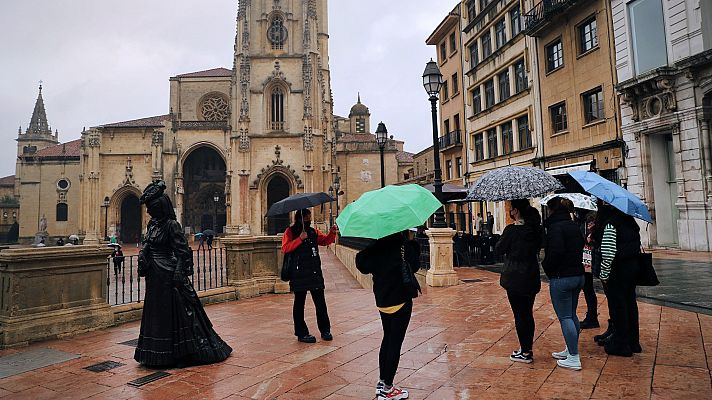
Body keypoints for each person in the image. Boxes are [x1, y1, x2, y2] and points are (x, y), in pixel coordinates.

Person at [134, 180, 232, 367]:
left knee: (177, 314)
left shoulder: (171, 225)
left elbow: (183, 252)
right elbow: (148, 244)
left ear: (159, 207)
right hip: (155, 277)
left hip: (169, 276)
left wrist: (179, 273)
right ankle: (156, 353)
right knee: (157, 314)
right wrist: (144, 254)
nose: (148, 212)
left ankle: (177, 353)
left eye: (150, 208)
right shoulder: (153, 225)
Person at [356, 231, 420, 400]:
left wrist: (371, 245)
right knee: (395, 343)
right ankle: (388, 388)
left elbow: (362, 264)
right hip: (400, 299)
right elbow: (415, 265)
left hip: (383, 300)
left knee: (387, 338)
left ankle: (382, 381)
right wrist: (412, 242)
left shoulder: (377, 244)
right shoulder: (402, 244)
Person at [495, 199, 542, 364]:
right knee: (527, 313)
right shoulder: (535, 229)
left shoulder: (511, 231)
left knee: (520, 315)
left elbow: (499, 249)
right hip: (531, 275)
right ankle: (526, 348)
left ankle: (525, 351)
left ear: (515, 211)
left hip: (514, 277)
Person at [593, 201, 642, 357]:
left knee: (618, 307)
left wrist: (604, 274)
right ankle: (633, 342)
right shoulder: (631, 223)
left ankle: (621, 343)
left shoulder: (611, 225)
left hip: (617, 270)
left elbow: (608, 253)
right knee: (630, 305)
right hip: (632, 269)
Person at [282, 209, 338, 343]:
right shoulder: (290, 231)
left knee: (321, 304)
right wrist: (299, 239)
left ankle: (325, 330)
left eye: (310, 217)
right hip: (298, 273)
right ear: (300, 218)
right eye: (307, 217)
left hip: (314, 272)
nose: (309, 220)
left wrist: (332, 233)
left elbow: (324, 241)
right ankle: (301, 333)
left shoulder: (313, 231)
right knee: (299, 304)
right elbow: (286, 248)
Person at [543, 197, 585, 370]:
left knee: (565, 316)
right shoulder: (574, 226)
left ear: (552, 210)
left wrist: (547, 267)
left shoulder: (555, 228)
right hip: (578, 274)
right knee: (572, 314)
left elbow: (556, 253)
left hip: (562, 277)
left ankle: (574, 357)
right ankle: (571, 348)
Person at [580, 212, 600, 329]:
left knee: (588, 288)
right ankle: (591, 316)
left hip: (589, 257)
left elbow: (590, 237)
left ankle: (592, 317)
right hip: (586, 258)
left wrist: (588, 236)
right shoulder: (582, 219)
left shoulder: (589, 218)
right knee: (587, 289)